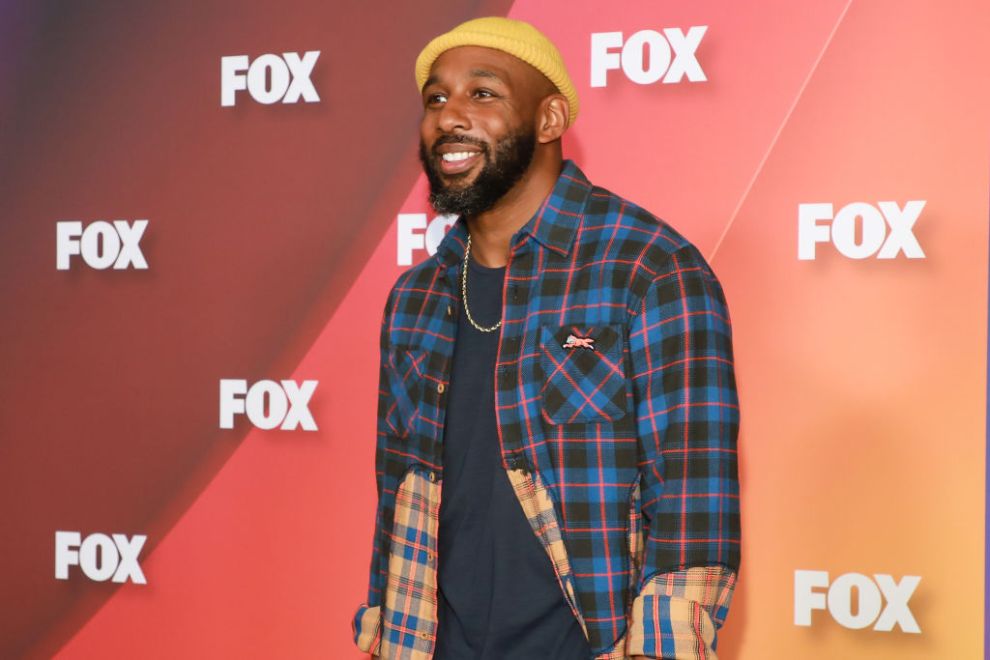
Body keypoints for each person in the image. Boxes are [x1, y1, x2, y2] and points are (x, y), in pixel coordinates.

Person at [352, 16, 740, 660]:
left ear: (550, 119)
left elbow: (692, 513)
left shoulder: (647, 268)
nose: (449, 116)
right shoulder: (414, 298)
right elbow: (399, 500)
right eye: (435, 99)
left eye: (482, 94)